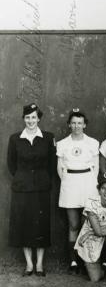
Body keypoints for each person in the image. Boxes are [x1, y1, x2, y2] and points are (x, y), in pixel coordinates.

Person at [7, 103, 56, 276]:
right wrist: (24, 178)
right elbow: (11, 164)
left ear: (39, 119)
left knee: (41, 225)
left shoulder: (48, 138)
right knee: (24, 224)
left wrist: (41, 179)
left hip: (41, 188)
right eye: (27, 117)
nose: (30, 121)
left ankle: (40, 264)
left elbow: (52, 164)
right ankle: (29, 264)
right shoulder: (15, 139)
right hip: (22, 188)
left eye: (34, 117)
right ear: (23, 119)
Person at [57, 108, 99, 274]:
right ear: (69, 124)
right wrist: (69, 182)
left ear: (84, 125)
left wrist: (89, 183)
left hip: (88, 184)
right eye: (73, 123)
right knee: (73, 224)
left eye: (79, 123)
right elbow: (59, 169)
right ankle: (74, 261)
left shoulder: (93, 143)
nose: (76, 126)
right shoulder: (62, 144)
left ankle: (86, 259)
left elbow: (95, 168)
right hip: (70, 185)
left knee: (87, 223)